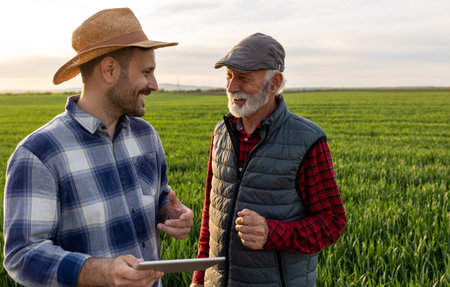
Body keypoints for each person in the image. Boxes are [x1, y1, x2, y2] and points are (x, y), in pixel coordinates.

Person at [3, 8, 194, 287]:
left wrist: (170, 214)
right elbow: (22, 255)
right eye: (146, 72)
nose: (154, 84)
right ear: (109, 70)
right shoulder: (40, 153)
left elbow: (160, 196)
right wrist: (97, 272)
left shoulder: (146, 136)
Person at [190, 33, 346, 287]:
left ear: (275, 83)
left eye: (244, 78)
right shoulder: (221, 133)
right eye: (229, 76)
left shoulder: (307, 140)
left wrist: (273, 233)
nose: (231, 87)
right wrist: (200, 278)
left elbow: (332, 222)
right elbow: (211, 215)